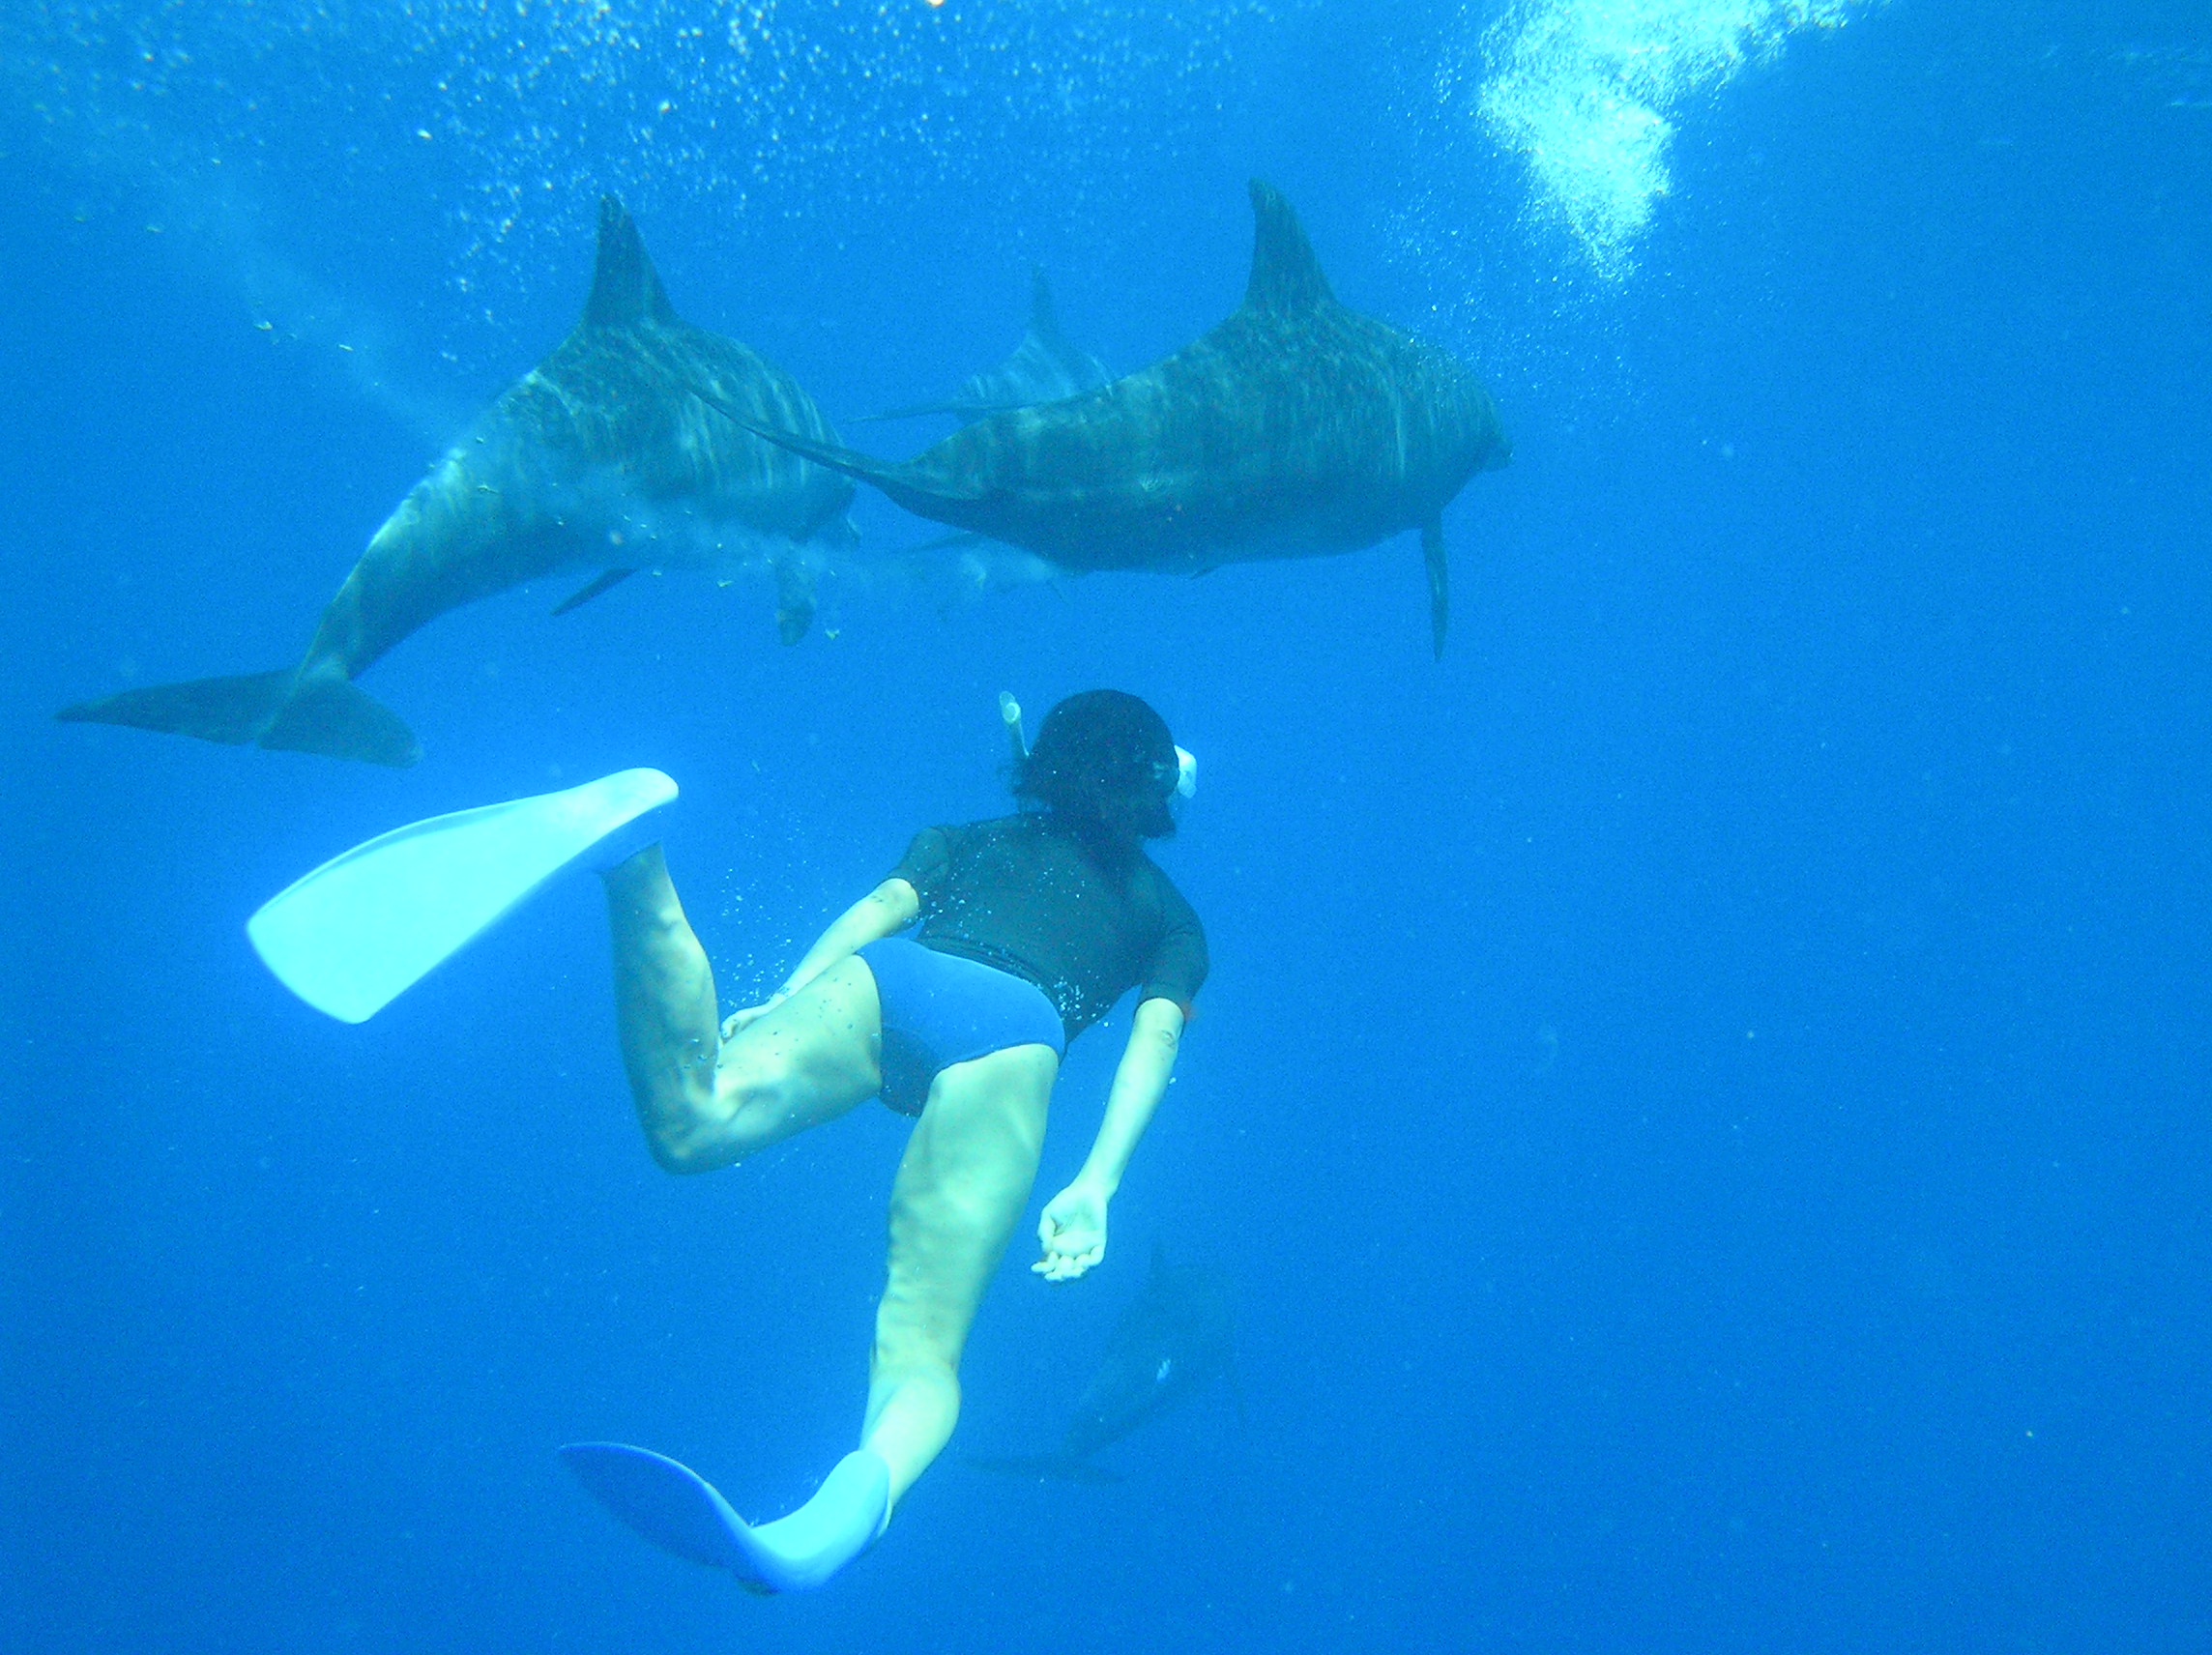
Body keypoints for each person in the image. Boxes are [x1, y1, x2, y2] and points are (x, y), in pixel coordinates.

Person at [570, 688, 1207, 1590]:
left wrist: (795, 994)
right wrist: (1095, 1182)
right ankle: (841, 1521)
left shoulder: (971, 836)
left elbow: (874, 911)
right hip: (1011, 1037)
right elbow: (1157, 1041)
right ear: (1153, 788)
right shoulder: (1169, 917)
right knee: (921, 1353)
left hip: (895, 976)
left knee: (692, 1121)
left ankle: (632, 858)